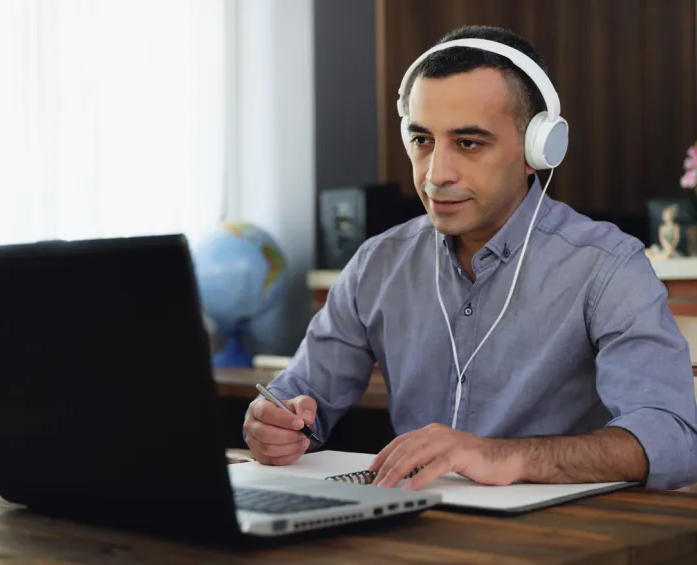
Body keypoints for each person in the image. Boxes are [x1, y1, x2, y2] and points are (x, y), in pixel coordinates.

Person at [243, 25, 697, 490]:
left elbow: (674, 437)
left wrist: (504, 456)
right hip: (413, 527)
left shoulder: (607, 266)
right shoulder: (377, 264)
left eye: (468, 143)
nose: (436, 174)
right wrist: (273, 425)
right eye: (422, 140)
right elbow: (297, 400)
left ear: (536, 151)